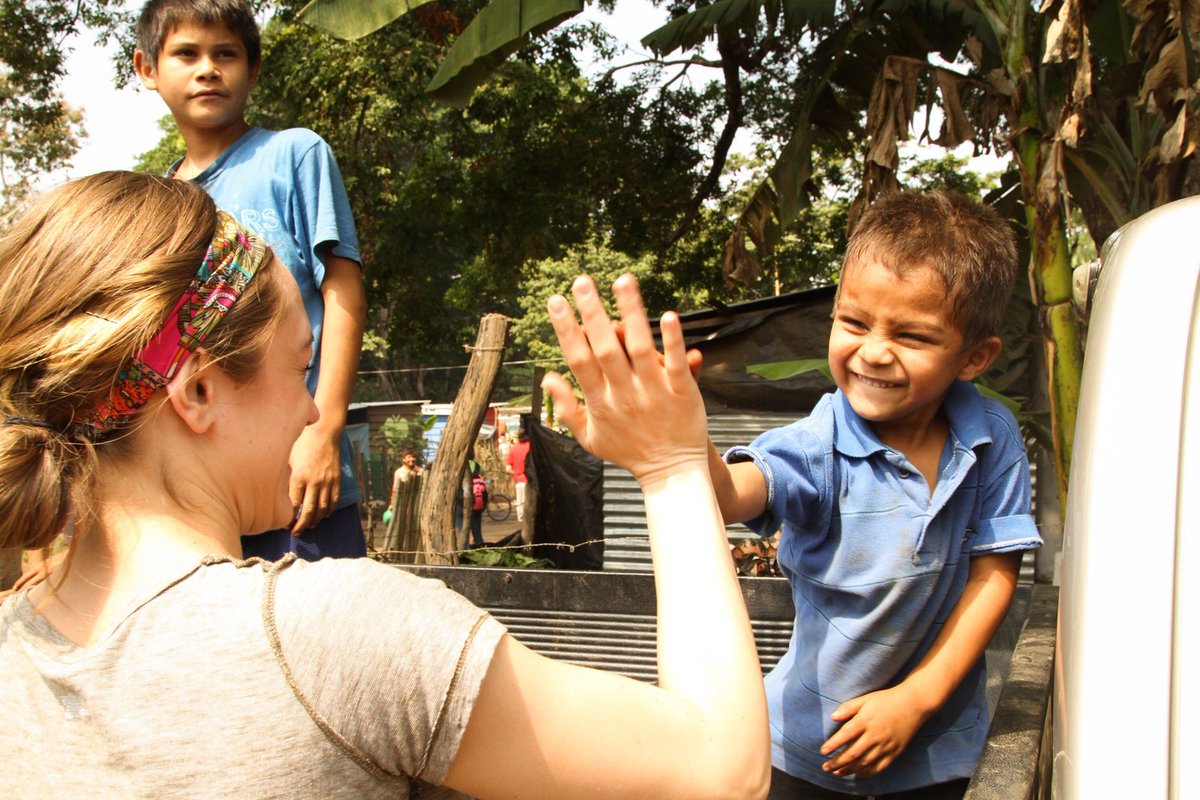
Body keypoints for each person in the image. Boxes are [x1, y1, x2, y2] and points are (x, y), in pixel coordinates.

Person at [0, 172, 769, 797]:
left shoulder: (15, 637)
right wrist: (669, 468)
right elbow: (719, 770)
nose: (311, 407)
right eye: (298, 366)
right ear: (197, 392)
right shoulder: (330, 636)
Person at [708, 191, 1043, 799]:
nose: (873, 351)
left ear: (975, 357)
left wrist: (916, 700)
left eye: (911, 335)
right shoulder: (819, 443)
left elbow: (993, 577)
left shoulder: (991, 436)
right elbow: (732, 491)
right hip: (804, 751)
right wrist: (676, 447)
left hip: (939, 747)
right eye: (854, 322)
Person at [132, 0, 368, 561]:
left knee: (323, 637)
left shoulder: (294, 155)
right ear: (147, 69)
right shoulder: (158, 206)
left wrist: (325, 430)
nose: (208, 68)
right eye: (186, 53)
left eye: (226, 54)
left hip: (297, 479)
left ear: (253, 69)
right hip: (199, 496)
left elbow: (342, 289)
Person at [505, 429, 531, 521]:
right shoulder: (531, 447)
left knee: (520, 502)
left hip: (519, 481)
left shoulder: (513, 449)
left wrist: (517, 473)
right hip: (531, 482)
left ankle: (521, 521)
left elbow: (508, 469)